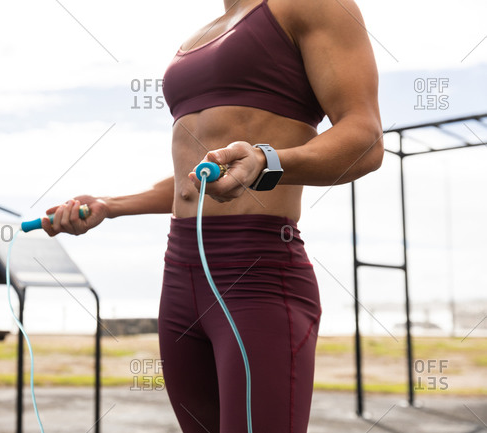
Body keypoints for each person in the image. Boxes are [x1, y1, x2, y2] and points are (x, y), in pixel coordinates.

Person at [42, 0, 383, 431]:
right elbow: (193, 179)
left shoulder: (309, 4)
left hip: (257, 272)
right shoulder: (198, 37)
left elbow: (365, 139)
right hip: (180, 275)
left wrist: (266, 161)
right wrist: (111, 206)